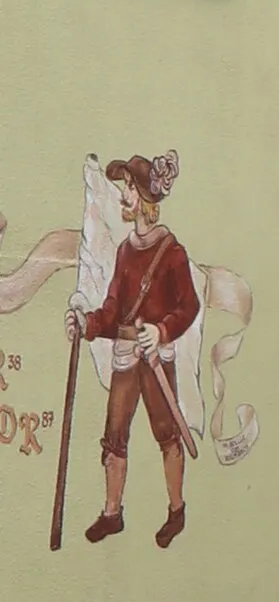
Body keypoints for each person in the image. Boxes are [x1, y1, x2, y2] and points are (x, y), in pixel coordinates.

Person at [68, 151, 199, 549]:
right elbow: (112, 310)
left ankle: (176, 510)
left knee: (167, 433)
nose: (122, 197)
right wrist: (87, 324)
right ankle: (112, 512)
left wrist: (161, 331)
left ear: (143, 199)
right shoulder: (125, 252)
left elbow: (188, 306)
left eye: (126, 189)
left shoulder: (172, 252)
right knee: (114, 435)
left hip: (156, 359)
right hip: (125, 356)